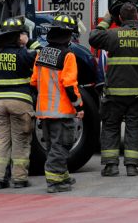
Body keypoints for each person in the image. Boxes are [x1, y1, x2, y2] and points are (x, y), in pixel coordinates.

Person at [88, 2, 138, 177]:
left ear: (119, 18)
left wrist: (106, 20)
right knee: (134, 127)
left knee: (111, 127)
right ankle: (132, 166)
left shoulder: (112, 35)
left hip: (115, 94)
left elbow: (93, 37)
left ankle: (111, 166)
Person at [30, 14, 84, 193]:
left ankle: (63, 177)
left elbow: (34, 81)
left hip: (44, 112)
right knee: (62, 146)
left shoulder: (41, 53)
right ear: (68, 35)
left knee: (53, 146)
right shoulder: (68, 55)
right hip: (61, 111)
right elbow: (69, 84)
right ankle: (54, 181)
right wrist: (79, 106)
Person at [0, 17, 37, 190]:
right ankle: (19, 178)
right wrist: (28, 41)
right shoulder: (23, 54)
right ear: (17, 37)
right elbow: (44, 54)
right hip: (20, 102)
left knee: (2, 141)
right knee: (20, 140)